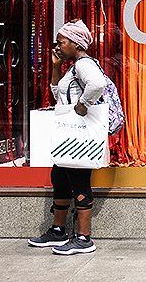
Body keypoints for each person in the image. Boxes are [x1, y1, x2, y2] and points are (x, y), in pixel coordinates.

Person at [27, 19, 106, 255]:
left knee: (79, 179)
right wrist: (55, 67)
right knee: (60, 176)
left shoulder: (84, 64)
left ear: (75, 42)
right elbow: (58, 96)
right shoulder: (73, 67)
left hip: (79, 135)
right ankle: (58, 231)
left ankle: (84, 238)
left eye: (62, 42)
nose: (58, 46)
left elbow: (97, 84)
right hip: (70, 133)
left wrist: (83, 105)